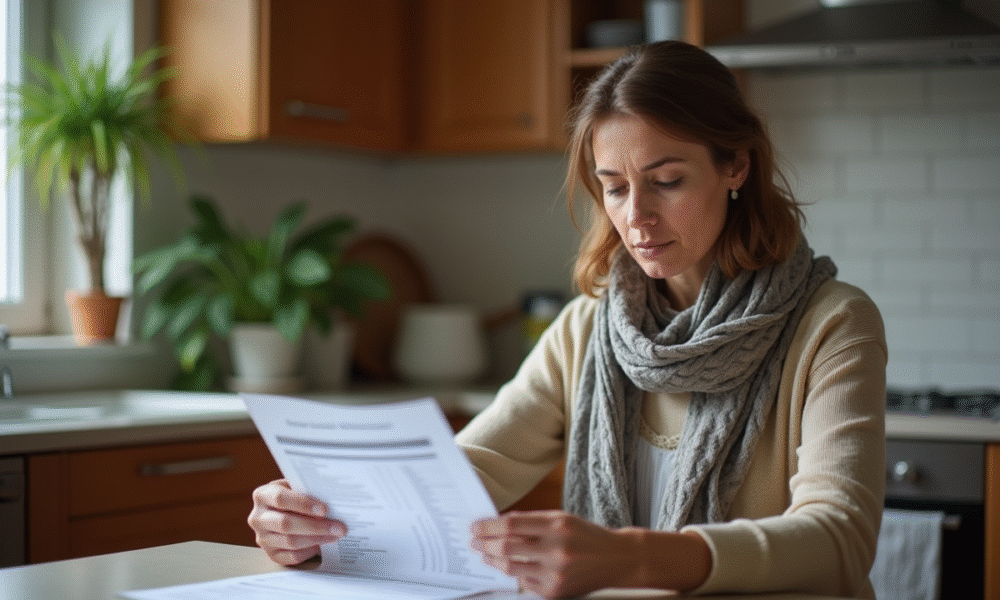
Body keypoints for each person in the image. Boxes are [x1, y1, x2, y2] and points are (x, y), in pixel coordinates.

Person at [248, 40, 887, 599]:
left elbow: (838, 542)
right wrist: (327, 521)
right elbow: (466, 471)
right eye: (613, 186)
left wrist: (632, 558)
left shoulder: (832, 323)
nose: (636, 215)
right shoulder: (587, 329)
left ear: (736, 167)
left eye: (667, 180)